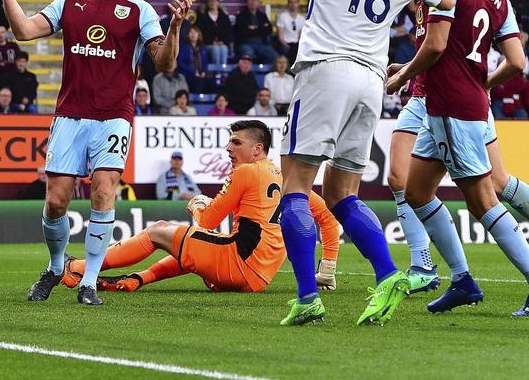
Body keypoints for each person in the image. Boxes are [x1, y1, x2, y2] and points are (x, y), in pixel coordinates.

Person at [220, 0, 455, 326]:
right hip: (370, 81)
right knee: (343, 193)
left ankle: (308, 297)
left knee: (295, 186)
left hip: (325, 70)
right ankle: (388, 275)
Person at [0, 0, 191, 306]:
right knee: (56, 203)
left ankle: (90, 283)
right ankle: (54, 267)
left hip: (115, 116)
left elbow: (164, 62)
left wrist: (176, 28)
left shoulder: (139, 10)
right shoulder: (70, 3)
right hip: (70, 115)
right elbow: (23, 31)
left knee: (103, 191)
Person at [386, 0, 529, 316]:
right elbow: (517, 62)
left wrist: (401, 77)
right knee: (416, 190)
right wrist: (482, 84)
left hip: (451, 105)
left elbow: (435, 46)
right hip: (455, 103)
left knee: (483, 200)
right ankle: (464, 280)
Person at [61, 121, 340, 294]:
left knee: (159, 231)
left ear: (257, 149)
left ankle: (77, 268)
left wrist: (197, 202)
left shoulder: (247, 173)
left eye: (236, 142)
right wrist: (327, 267)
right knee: (194, 247)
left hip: (237, 263)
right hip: (258, 278)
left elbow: (205, 221)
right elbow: (328, 219)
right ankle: (138, 278)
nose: (228, 148)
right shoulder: (290, 183)